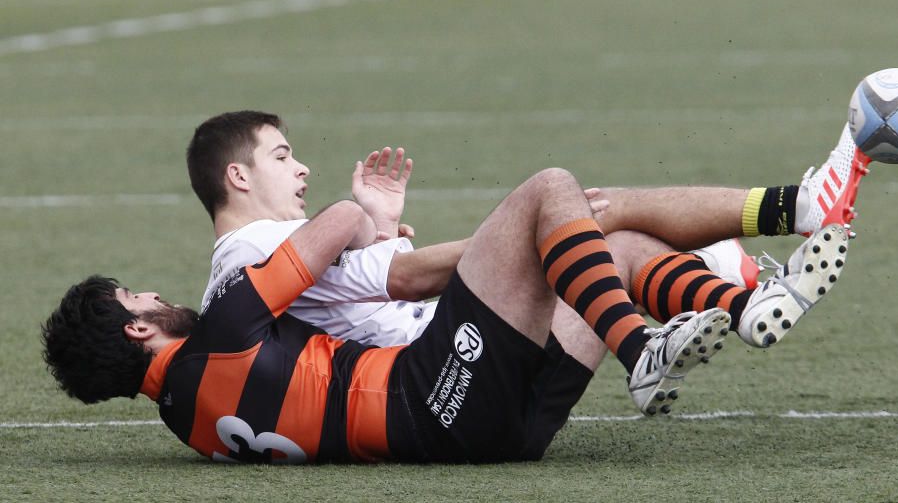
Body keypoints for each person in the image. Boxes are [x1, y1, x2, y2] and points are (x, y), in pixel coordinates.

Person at [41, 165, 850, 464]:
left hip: (503, 435)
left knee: (610, 252)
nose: (154, 294)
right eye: (138, 299)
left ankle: (742, 306)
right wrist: (360, 210)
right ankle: (642, 348)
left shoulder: (185, 424)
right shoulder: (216, 334)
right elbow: (318, 242)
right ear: (137, 330)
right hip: (438, 396)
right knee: (551, 192)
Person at [185, 111, 866, 412]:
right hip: (452, 368)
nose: (300, 166)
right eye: (280, 156)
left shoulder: (260, 258)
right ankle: (792, 216)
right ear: (237, 179)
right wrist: (528, 236)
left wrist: (385, 226)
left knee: (609, 238)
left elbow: (375, 297)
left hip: (459, 360)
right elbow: (409, 280)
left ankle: (746, 301)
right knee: (568, 201)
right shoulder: (259, 250)